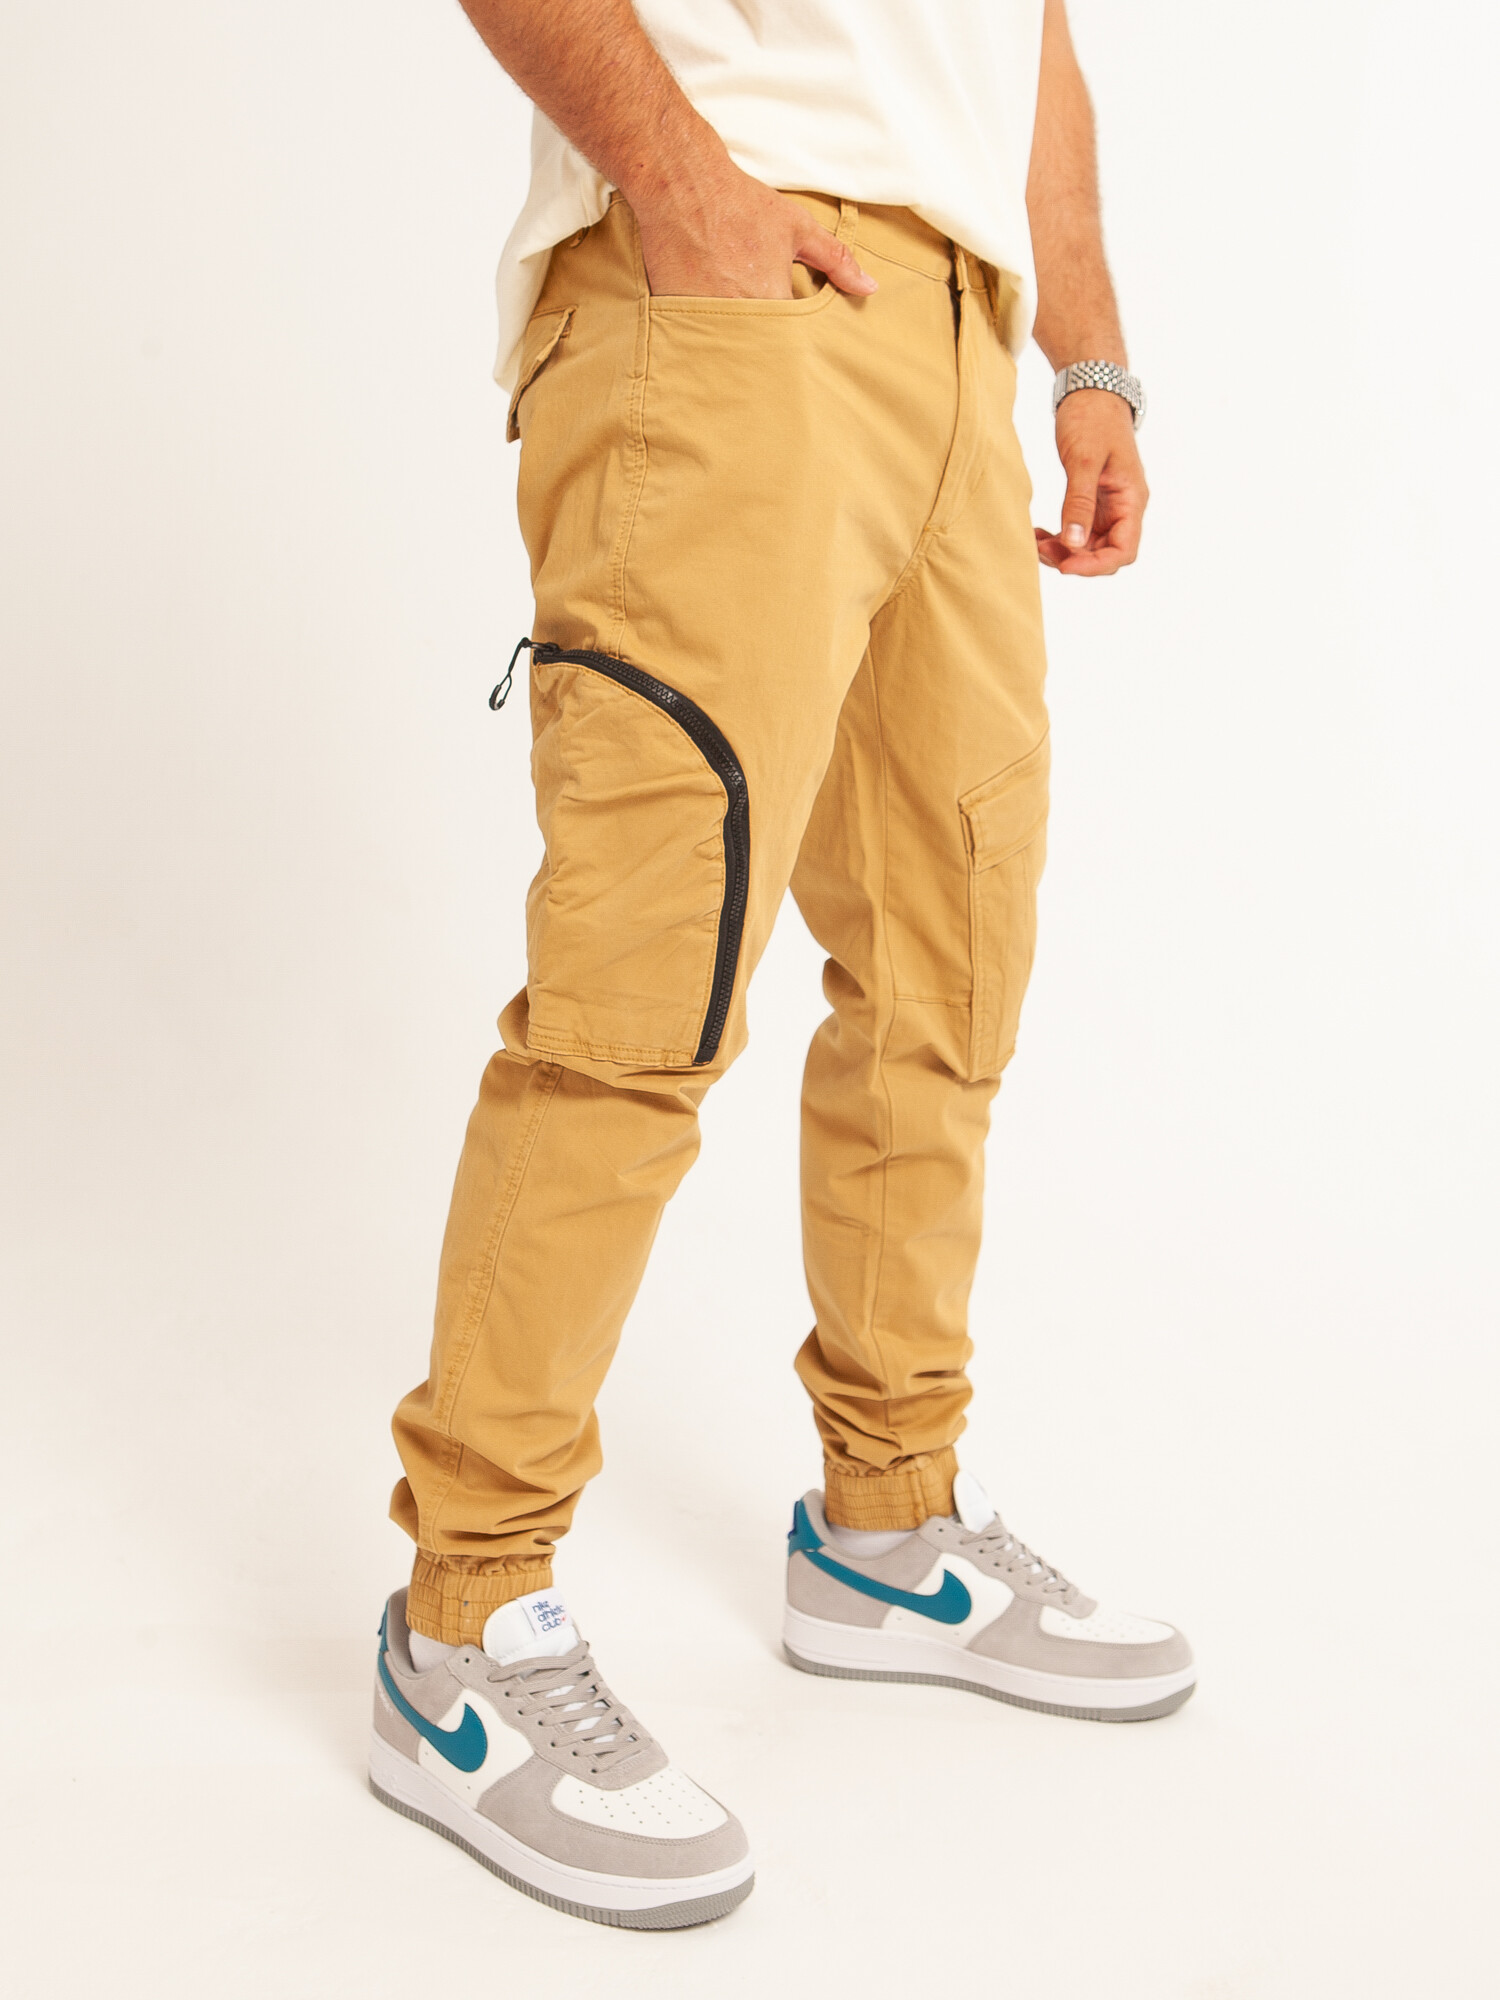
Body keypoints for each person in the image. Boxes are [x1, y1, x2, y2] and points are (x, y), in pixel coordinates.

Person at [369, 0, 1193, 1929]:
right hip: (729, 298)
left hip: (957, 336)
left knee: (946, 974)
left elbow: (1027, 46)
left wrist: (1085, 356)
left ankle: (889, 1525)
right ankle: (463, 1625)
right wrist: (690, 194)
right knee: (638, 996)